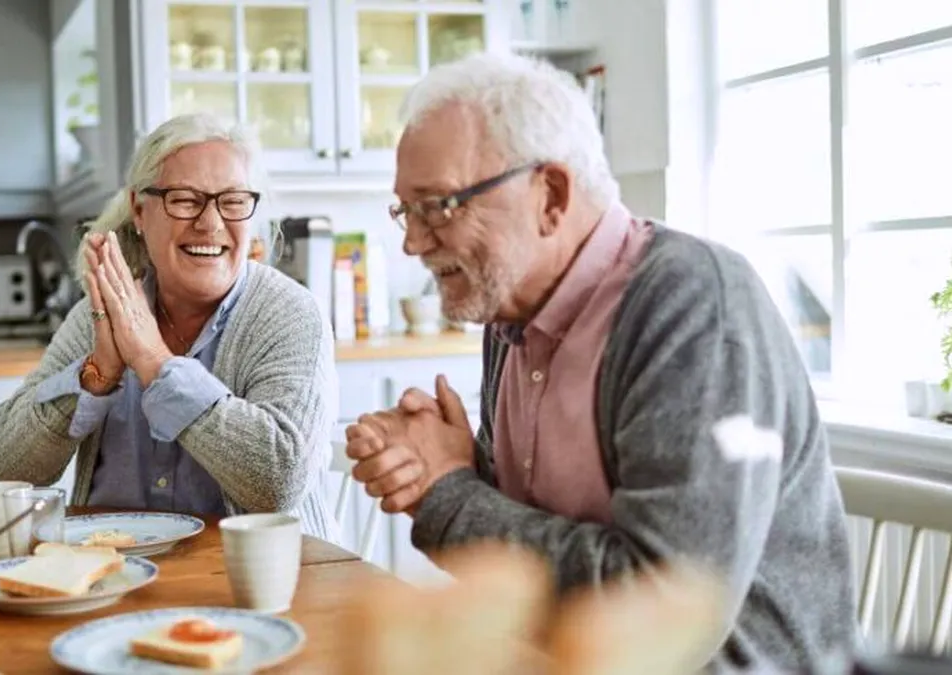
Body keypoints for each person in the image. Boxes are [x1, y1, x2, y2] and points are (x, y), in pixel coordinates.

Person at [344, 52, 858, 671]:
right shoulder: (510, 310)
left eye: (439, 206)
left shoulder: (691, 303)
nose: (413, 241)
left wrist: (449, 492)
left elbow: (658, 604)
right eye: (407, 210)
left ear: (551, 195)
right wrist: (456, 462)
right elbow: (540, 523)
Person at [0, 113, 338, 540]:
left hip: (258, 589)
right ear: (139, 209)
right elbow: (9, 466)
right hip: (114, 579)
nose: (210, 223)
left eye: (232, 201)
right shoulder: (102, 312)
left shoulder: (289, 313)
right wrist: (97, 374)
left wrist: (153, 362)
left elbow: (278, 482)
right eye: (185, 199)